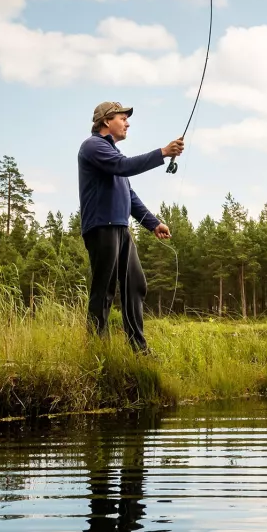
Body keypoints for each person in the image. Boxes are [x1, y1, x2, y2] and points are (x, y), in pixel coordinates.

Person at [78, 101, 184, 350]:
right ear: (106, 121)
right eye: (122, 117)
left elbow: (129, 194)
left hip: (120, 228)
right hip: (101, 227)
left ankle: (138, 350)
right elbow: (123, 167)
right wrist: (163, 152)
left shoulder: (112, 154)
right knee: (104, 290)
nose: (127, 122)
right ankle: (96, 349)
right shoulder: (93, 146)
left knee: (135, 284)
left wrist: (153, 223)